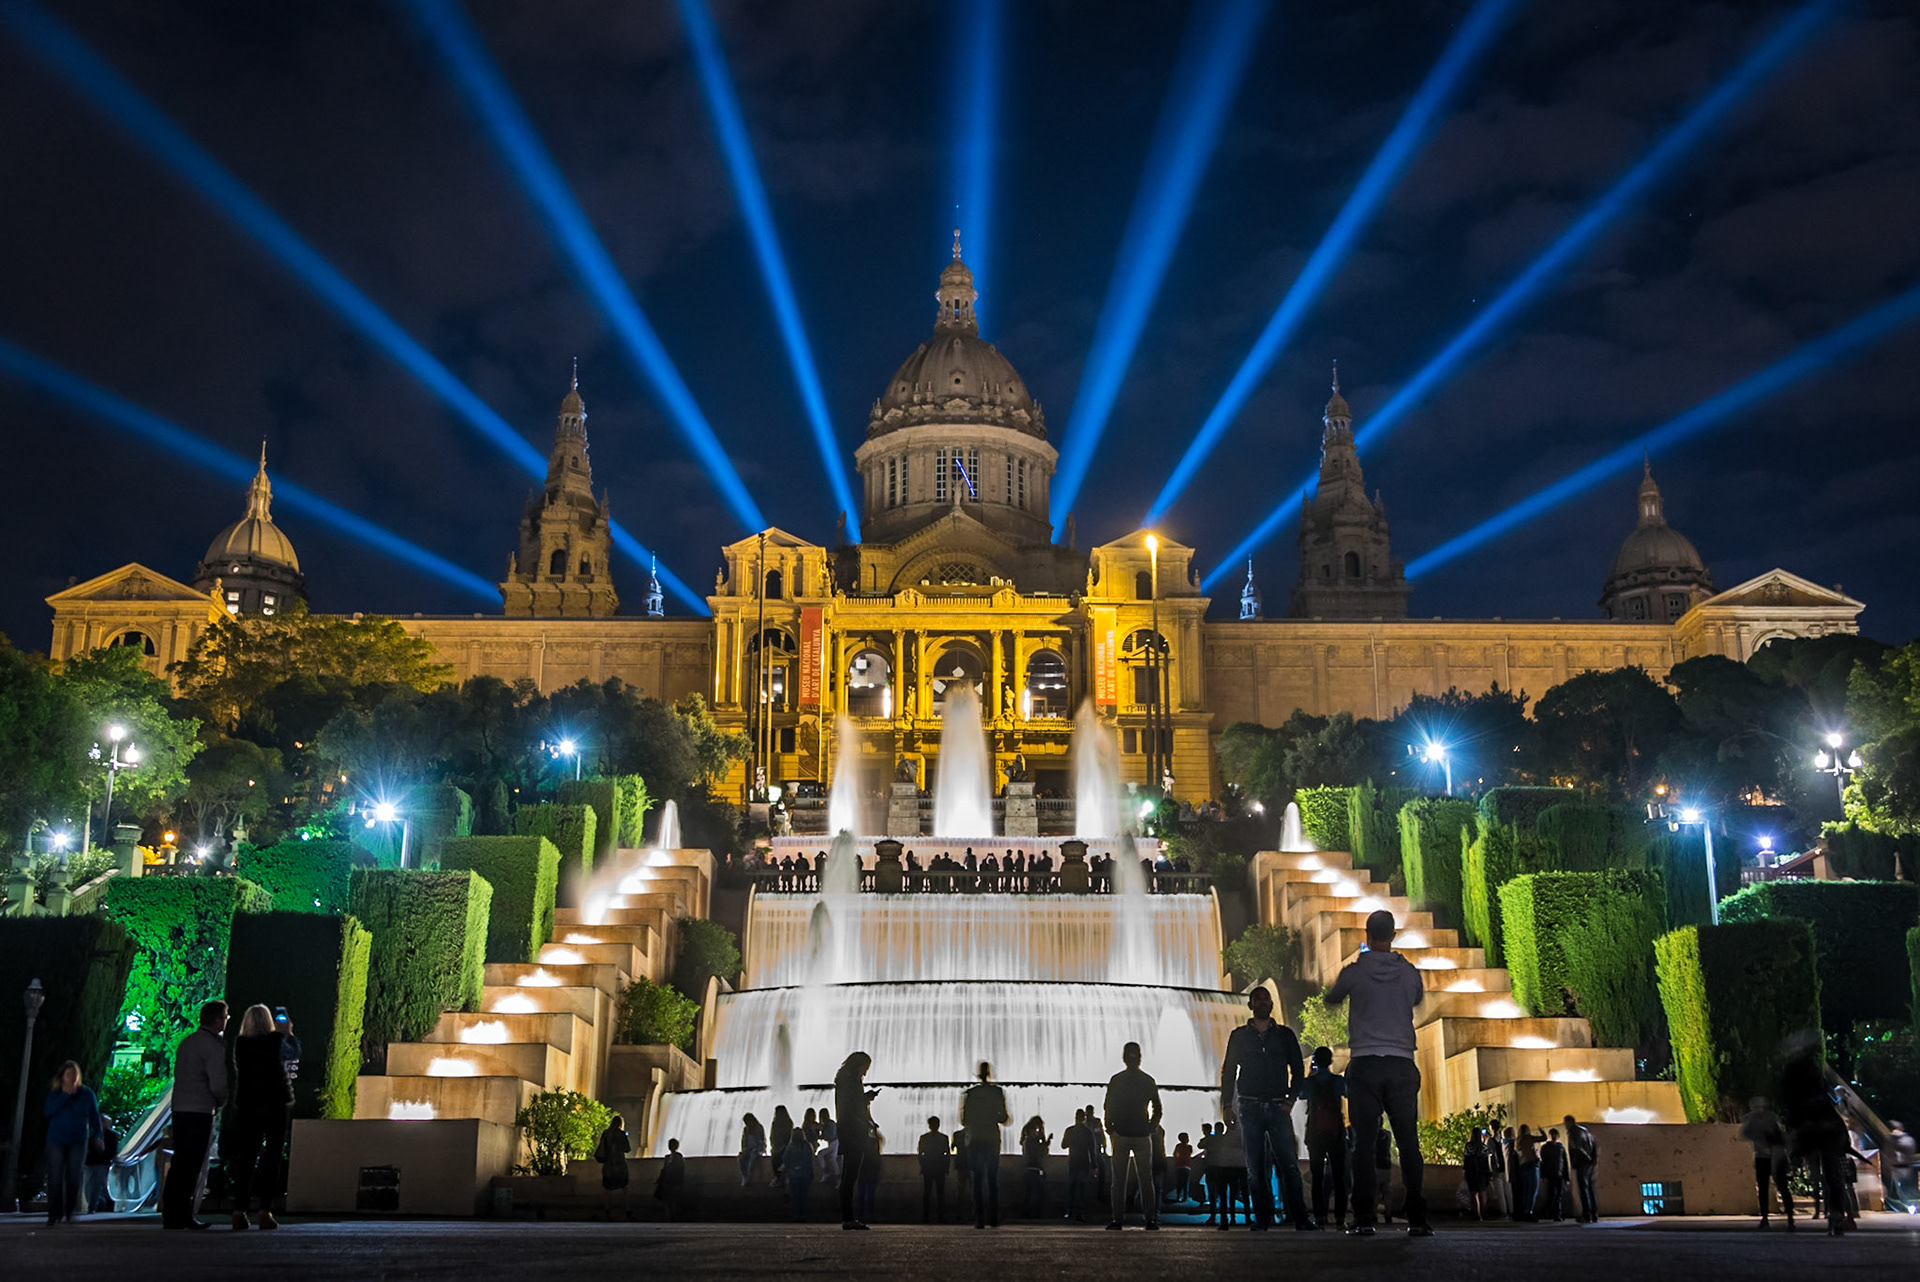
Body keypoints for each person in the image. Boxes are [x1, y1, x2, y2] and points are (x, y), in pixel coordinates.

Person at [1325, 910, 1430, 1237]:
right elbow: (1418, 998)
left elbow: (1332, 998)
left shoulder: (1355, 972)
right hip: (1400, 1063)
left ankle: (1365, 1217)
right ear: (1393, 935)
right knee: (1408, 1142)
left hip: (1366, 1063)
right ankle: (1417, 1218)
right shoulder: (1409, 973)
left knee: (1364, 1145)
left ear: (1367, 935)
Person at [1218, 985, 1313, 1230]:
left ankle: (1301, 1219)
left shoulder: (1285, 1035)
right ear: (1250, 1005)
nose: (1262, 1002)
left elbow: (1298, 1069)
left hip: (1277, 1107)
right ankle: (1262, 1219)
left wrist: (1290, 1100)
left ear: (1271, 1005)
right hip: (1248, 1107)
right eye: (1257, 999)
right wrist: (1227, 1105)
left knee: (1289, 1165)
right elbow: (1229, 1070)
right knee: (1255, 1168)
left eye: (1265, 999)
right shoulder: (1239, 1036)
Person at [228, 1003, 301, 1230]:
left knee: (247, 1158)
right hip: (275, 1103)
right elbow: (294, 1054)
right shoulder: (275, 1040)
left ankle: (239, 1210)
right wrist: (287, 1032)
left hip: (248, 1104)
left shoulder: (240, 1043)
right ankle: (264, 1211)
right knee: (272, 1158)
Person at [162, 999, 229, 1230]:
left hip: (180, 1108)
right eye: (225, 1016)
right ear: (218, 1019)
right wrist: (221, 1101)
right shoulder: (213, 1046)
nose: (227, 1020)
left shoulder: (186, 1043)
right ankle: (184, 1214)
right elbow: (218, 1083)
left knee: (180, 1161)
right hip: (200, 1109)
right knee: (192, 1165)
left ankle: (171, 1213)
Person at [1779, 1043, 1849, 1236]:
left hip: (1820, 1136)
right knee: (1833, 1179)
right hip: (1827, 1138)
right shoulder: (1819, 1100)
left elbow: (1790, 1105)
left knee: (1830, 1179)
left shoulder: (1802, 1098)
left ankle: (1834, 1216)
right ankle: (1836, 1217)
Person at [1104, 1042, 1163, 1230]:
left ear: (1123, 1057)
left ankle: (1117, 1219)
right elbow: (1158, 1108)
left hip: (1120, 1133)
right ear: (1140, 1057)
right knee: (1146, 1179)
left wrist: (1110, 1128)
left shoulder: (1116, 1080)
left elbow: (1108, 1105)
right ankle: (1150, 1219)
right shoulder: (1148, 1080)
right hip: (1141, 1134)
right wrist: (1150, 1128)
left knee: (1118, 1180)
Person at [42, 1060, 101, 1225]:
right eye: (68, 1074)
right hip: (56, 1139)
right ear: (63, 1077)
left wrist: (98, 1135)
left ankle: (68, 1210)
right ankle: (54, 1214)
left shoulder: (87, 1094)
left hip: (78, 1140)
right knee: (55, 1176)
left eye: (74, 1074)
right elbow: (49, 1111)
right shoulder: (56, 1093)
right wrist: (64, 1096)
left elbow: (94, 1116)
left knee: (74, 1176)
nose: (72, 1078)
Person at [1301, 1045, 1349, 1228]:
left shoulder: (1310, 1082)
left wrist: (1309, 1074)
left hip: (1315, 1133)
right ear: (1330, 1061)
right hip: (1336, 1133)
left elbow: (1300, 1095)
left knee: (1317, 1178)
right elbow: (1347, 1093)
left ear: (1315, 1061)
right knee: (1339, 1178)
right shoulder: (1337, 1082)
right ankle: (1340, 1219)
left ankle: (1320, 1218)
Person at [961, 1061, 1009, 1228]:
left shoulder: (970, 1093)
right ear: (990, 1073)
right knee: (992, 1179)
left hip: (975, 1138)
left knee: (978, 1179)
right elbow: (1004, 1117)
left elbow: (964, 1120)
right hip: (991, 1138)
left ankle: (979, 1219)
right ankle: (994, 1218)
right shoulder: (997, 1092)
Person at [834, 1052, 879, 1229]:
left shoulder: (843, 1079)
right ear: (858, 1065)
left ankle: (848, 1217)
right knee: (850, 1176)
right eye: (865, 1068)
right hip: (853, 1130)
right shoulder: (851, 1081)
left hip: (846, 1129)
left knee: (849, 1175)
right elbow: (853, 1106)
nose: (865, 1072)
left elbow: (849, 1105)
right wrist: (866, 1098)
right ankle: (848, 1219)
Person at [594, 1114, 633, 1220]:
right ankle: (627, 1209)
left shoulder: (606, 1134)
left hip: (608, 1165)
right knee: (625, 1187)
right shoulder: (621, 1134)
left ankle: (607, 1209)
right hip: (620, 1164)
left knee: (607, 1189)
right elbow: (627, 1149)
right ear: (621, 1124)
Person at [1213, 1115, 1248, 1228]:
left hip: (1224, 1166)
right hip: (1240, 1165)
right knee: (1240, 1193)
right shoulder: (1243, 1133)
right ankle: (1245, 1218)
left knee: (1224, 1195)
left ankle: (1224, 1220)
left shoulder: (1223, 1137)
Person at [1564, 1114, 1599, 1222]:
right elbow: (1594, 1145)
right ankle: (1594, 1214)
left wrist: (1582, 1159)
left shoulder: (1573, 1132)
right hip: (1589, 1164)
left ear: (1569, 1122)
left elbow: (1577, 1148)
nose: (1565, 1126)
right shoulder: (1585, 1131)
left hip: (1581, 1163)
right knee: (1590, 1189)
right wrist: (1592, 1159)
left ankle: (1586, 1214)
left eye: (1565, 1123)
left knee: (1583, 1189)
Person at [1063, 1109, 1095, 1221]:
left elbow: (1063, 1145)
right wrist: (1094, 1166)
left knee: (1072, 1187)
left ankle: (1069, 1210)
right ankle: (1080, 1212)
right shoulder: (1088, 1132)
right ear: (1084, 1118)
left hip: (1073, 1161)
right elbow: (1092, 1150)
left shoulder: (1069, 1130)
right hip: (1084, 1162)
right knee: (1081, 1188)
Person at [918, 1116, 952, 1222]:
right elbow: (947, 1154)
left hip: (928, 1167)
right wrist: (946, 1167)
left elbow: (920, 1153)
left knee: (927, 1193)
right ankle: (941, 1216)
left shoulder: (924, 1138)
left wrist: (923, 1165)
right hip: (940, 1168)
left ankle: (926, 1216)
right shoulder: (944, 1138)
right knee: (940, 1193)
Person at [86, 1112, 119, 1214]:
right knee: (88, 1185)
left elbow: (112, 1151)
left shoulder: (112, 1135)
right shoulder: (91, 1134)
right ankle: (95, 1204)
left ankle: (93, 1206)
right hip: (90, 1163)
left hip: (102, 1163)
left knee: (97, 1185)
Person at [1021, 1115, 1051, 1217]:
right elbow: (1041, 1152)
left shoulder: (1026, 1141)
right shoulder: (1031, 1141)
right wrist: (1045, 1141)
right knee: (1037, 1193)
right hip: (1034, 1169)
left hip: (1029, 1169)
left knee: (1031, 1193)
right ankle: (1034, 1214)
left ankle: (1030, 1213)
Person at [784, 1127, 815, 1221]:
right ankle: (803, 1214)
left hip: (793, 1174)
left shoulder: (790, 1146)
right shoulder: (807, 1146)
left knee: (795, 1196)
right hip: (805, 1174)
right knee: (803, 1196)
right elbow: (810, 1161)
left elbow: (785, 1159)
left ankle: (797, 1214)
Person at [1539, 1128, 1569, 1221]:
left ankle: (1555, 1213)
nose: (1553, 1137)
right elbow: (1543, 1162)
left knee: (1556, 1194)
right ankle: (1554, 1213)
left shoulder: (1557, 1148)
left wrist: (1566, 1177)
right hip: (1553, 1173)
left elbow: (1565, 1162)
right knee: (1553, 1194)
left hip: (1557, 1173)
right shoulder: (1558, 1148)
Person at [654, 1137, 686, 1221]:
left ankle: (675, 1217)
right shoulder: (667, 1157)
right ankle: (670, 1217)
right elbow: (664, 1169)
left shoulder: (678, 1157)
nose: (670, 1146)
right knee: (668, 1200)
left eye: (671, 1145)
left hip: (674, 1181)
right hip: (667, 1182)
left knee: (673, 1200)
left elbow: (680, 1170)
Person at [1513, 1124, 1540, 1221]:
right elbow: (1543, 1138)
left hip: (1523, 1165)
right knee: (1533, 1190)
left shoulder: (1518, 1141)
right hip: (1532, 1164)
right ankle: (1529, 1211)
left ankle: (1525, 1211)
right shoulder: (1529, 1138)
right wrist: (1541, 1130)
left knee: (1526, 1190)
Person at [1462, 1127, 1490, 1221]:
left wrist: (1465, 1171)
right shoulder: (1483, 1147)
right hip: (1482, 1172)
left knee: (1473, 1193)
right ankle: (1483, 1213)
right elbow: (1486, 1160)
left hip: (1471, 1171)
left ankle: (1476, 1214)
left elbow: (1466, 1159)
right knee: (1482, 1192)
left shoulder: (1469, 1146)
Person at [857, 1127, 883, 1223]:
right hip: (872, 1170)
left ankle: (861, 1214)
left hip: (862, 1170)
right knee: (870, 1194)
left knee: (862, 1194)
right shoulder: (875, 1142)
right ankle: (870, 1214)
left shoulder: (861, 1142)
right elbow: (877, 1157)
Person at [739, 1112, 767, 1187]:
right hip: (748, 1148)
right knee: (741, 1159)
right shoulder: (746, 1129)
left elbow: (761, 1140)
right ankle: (744, 1175)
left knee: (753, 1157)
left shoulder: (759, 1127)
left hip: (757, 1148)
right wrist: (743, 1150)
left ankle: (748, 1175)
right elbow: (744, 1140)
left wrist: (761, 1149)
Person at [769, 1104, 794, 1185]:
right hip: (779, 1146)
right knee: (775, 1157)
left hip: (784, 1146)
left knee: (775, 1158)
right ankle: (780, 1177)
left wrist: (778, 1145)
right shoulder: (786, 1122)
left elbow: (788, 1136)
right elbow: (772, 1136)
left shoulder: (786, 1123)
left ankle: (778, 1177)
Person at [1171, 1131, 1194, 1204]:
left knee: (1179, 1183)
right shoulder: (1189, 1147)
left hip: (1178, 1166)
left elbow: (1174, 1154)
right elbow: (1190, 1155)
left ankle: (1178, 1196)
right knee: (1185, 1183)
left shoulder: (1178, 1146)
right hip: (1187, 1167)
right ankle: (1185, 1196)